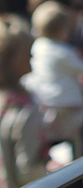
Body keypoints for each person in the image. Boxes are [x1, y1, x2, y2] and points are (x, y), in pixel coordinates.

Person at [24, 0, 83, 161]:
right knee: (75, 145)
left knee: (53, 143)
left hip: (45, 104)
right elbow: (82, 68)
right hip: (68, 105)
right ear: (62, 30)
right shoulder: (63, 52)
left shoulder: (37, 47)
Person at [1, 14, 50, 187]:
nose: (32, 56)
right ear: (8, 57)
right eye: (28, 51)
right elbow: (28, 172)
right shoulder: (22, 110)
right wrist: (57, 169)